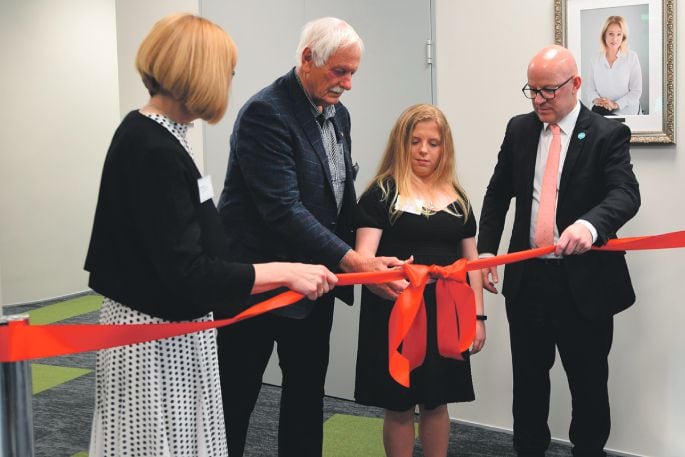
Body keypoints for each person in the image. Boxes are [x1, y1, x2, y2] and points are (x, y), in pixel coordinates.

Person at [84, 13, 338, 457]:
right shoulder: (152, 149)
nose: (230, 82)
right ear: (197, 71)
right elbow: (188, 270)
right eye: (227, 72)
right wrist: (286, 271)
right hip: (154, 340)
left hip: (174, 331)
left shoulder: (158, 136)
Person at [215, 17, 402, 457]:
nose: (349, 83)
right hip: (258, 286)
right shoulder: (266, 112)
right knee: (235, 399)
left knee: (305, 395)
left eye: (353, 72)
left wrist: (366, 253)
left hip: (314, 285)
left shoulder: (338, 114)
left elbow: (338, 196)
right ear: (306, 60)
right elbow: (283, 209)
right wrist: (354, 262)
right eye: (340, 71)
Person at [478, 45, 640, 457]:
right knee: (528, 384)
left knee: (587, 384)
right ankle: (528, 449)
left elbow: (625, 194)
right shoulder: (519, 129)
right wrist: (485, 253)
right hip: (528, 280)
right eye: (532, 90)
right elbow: (497, 195)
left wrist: (591, 225)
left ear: (576, 85)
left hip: (584, 286)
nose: (538, 100)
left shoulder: (607, 133)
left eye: (548, 91)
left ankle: (588, 451)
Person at [353, 104, 485, 457]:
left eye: (433, 143)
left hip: (445, 315)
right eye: (415, 141)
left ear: (445, 149)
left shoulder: (458, 200)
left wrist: (478, 320)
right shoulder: (380, 195)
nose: (424, 150)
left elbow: (471, 264)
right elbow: (363, 260)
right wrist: (377, 272)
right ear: (401, 143)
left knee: (437, 399)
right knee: (399, 401)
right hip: (395, 313)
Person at [585, 16, 642, 115]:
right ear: (604, 35)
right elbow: (590, 89)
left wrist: (615, 104)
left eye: (619, 34)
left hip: (626, 111)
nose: (615, 39)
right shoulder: (594, 59)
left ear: (623, 36)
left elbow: (636, 92)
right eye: (611, 34)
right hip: (602, 111)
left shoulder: (631, 57)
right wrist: (598, 101)